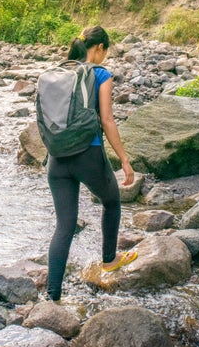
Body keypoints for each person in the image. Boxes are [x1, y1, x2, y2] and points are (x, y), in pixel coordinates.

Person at [45, 25, 137, 302]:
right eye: (105, 51)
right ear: (99, 49)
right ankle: (109, 259)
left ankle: (52, 296)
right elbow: (107, 121)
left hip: (57, 159)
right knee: (111, 201)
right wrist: (124, 159)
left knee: (64, 226)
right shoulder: (100, 74)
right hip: (88, 154)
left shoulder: (60, 72)